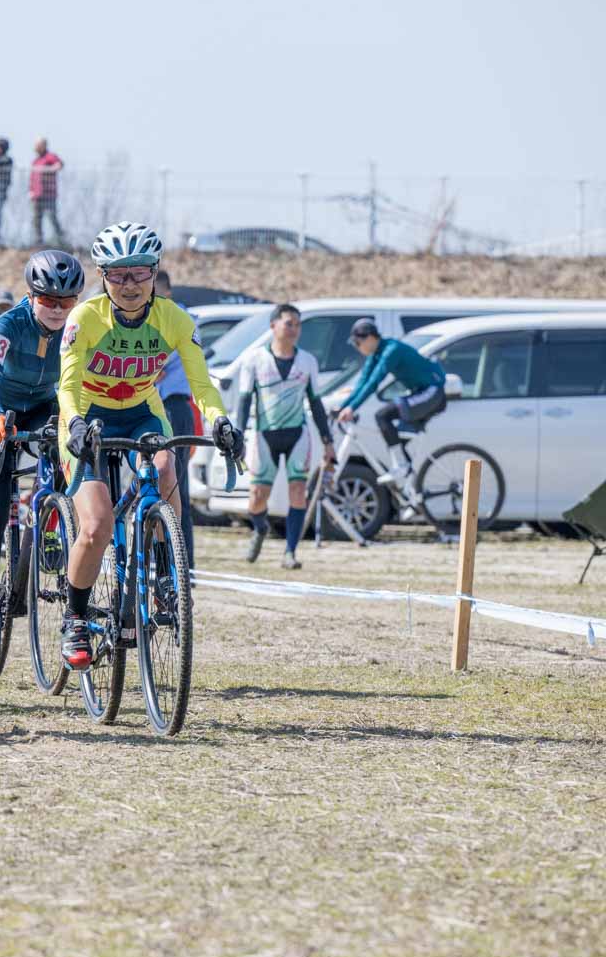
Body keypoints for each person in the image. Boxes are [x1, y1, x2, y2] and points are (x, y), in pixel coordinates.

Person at [56, 221, 242, 668]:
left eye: (139, 273)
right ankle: (75, 617)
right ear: (102, 276)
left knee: (164, 470)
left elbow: (202, 384)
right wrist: (76, 423)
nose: (130, 285)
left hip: (142, 410)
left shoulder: (175, 319)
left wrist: (219, 420)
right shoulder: (85, 318)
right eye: (118, 274)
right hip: (86, 415)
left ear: (154, 272)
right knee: (96, 526)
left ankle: (165, 575)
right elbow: (68, 385)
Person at [0, 250, 85, 649]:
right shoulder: (6, 324)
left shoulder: (79, 326)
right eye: (48, 300)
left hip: (42, 406)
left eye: (67, 301)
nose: (57, 310)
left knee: (68, 450)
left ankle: (48, 524)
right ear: (31, 296)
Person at [238, 304, 335, 569]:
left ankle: (290, 552)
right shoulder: (254, 359)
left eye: (298, 325)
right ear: (273, 326)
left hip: (297, 435)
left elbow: (316, 403)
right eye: (289, 323)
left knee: (298, 491)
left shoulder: (307, 361)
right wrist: (238, 436)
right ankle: (260, 527)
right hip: (264, 435)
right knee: (257, 495)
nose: (294, 329)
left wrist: (327, 441)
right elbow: (244, 401)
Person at [333, 318, 447, 486]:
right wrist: (343, 407)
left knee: (383, 415)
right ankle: (411, 492)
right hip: (419, 393)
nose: (357, 347)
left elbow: (373, 383)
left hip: (431, 392)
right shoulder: (376, 354)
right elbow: (362, 383)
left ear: (369, 338)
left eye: (357, 343)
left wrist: (352, 408)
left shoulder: (391, 350)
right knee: (397, 441)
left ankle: (401, 466)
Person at [151, 268, 203, 566]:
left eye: (155, 293)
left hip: (174, 408)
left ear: (168, 292)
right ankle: (160, 559)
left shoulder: (182, 319)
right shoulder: (149, 317)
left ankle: (182, 564)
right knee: (153, 487)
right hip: (150, 409)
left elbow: (155, 365)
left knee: (175, 487)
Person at [28, 137, 66, 245]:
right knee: (36, 219)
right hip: (36, 195)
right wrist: (31, 191)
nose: (35, 148)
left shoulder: (50, 156)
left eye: (37, 145)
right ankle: (38, 241)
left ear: (43, 145)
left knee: (52, 216)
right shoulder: (35, 161)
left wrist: (51, 169)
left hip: (49, 194)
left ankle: (61, 239)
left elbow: (59, 164)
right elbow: (32, 178)